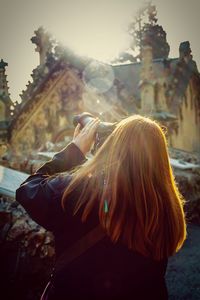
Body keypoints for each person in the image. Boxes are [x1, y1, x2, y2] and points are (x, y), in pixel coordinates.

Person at [16, 115, 186, 300]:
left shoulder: (84, 194)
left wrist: (74, 150)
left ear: (116, 147)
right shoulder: (165, 206)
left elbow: (29, 190)